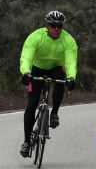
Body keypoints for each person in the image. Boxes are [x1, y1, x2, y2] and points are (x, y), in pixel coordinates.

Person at [18, 10, 78, 157]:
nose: (56, 29)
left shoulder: (68, 40)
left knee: (61, 80)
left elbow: (71, 61)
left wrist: (71, 77)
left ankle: (54, 113)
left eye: (59, 26)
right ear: (47, 25)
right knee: (31, 104)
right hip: (37, 69)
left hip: (56, 68)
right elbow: (26, 56)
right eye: (53, 25)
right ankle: (26, 142)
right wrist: (26, 73)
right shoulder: (36, 37)